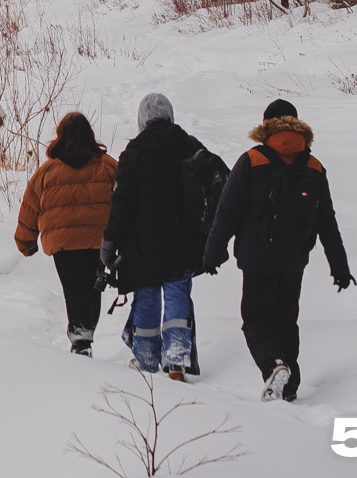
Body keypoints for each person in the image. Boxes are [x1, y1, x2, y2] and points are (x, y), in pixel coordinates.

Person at [202, 98, 353, 403]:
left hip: (257, 260)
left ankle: (274, 366)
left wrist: (214, 252)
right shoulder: (314, 166)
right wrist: (340, 267)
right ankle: (290, 386)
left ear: (266, 125)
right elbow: (327, 220)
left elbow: (227, 212)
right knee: (286, 320)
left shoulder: (253, 160)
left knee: (256, 320)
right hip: (294, 259)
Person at [102, 93, 212, 380]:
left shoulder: (134, 153)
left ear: (142, 119)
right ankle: (176, 359)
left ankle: (146, 358)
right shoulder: (189, 145)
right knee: (177, 293)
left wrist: (109, 242)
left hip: (143, 243)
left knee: (147, 294)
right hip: (183, 239)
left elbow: (121, 203)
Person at [15, 111, 120, 354]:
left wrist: (26, 242)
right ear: (90, 136)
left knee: (74, 288)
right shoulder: (108, 167)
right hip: (98, 240)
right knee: (93, 286)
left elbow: (29, 207)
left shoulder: (47, 172)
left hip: (64, 243)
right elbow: (125, 200)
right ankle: (85, 333)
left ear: (60, 137)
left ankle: (81, 339)